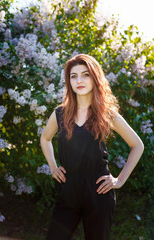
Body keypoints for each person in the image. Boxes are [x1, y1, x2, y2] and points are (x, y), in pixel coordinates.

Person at [40, 54, 144, 240]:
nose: (79, 80)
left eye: (85, 74)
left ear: (94, 78)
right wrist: (53, 166)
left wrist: (119, 180)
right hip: (68, 187)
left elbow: (137, 145)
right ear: (69, 81)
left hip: (98, 190)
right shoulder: (60, 113)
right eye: (73, 76)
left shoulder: (107, 114)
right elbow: (45, 139)